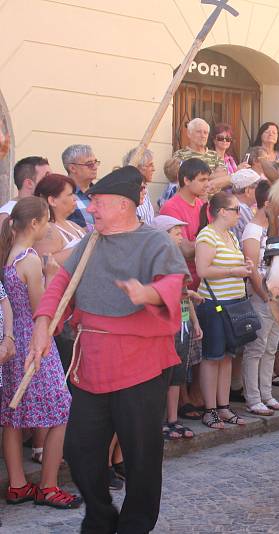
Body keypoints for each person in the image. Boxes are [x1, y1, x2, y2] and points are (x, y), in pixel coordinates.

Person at [28, 165, 189, 532]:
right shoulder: (90, 240)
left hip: (140, 365)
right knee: (80, 452)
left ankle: (135, 525)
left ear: (123, 205)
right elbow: (62, 286)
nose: (92, 208)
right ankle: (100, 517)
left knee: (141, 457)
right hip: (91, 364)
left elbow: (173, 286)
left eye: (99, 203)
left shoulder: (156, 242)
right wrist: (42, 325)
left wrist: (144, 293)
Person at [0, 197, 80, 509]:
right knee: (60, 410)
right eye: (46, 221)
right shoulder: (31, 260)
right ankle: (48, 485)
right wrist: (50, 273)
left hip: (12, 342)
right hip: (34, 342)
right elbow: (40, 310)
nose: (48, 228)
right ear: (34, 224)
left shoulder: (7, 255)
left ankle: (18, 484)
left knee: (12, 415)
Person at [194, 191, 252, 429]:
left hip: (234, 302)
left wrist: (243, 266)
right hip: (214, 304)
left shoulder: (230, 236)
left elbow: (229, 265)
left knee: (228, 356)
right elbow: (202, 270)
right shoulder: (207, 235)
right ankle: (210, 410)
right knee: (212, 357)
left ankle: (223, 406)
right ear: (221, 212)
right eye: (236, 209)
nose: (240, 214)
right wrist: (233, 272)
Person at [153, 215, 201, 441]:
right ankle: (159, 420)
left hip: (182, 323)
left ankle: (173, 419)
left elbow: (185, 292)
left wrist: (195, 321)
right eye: (176, 232)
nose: (182, 236)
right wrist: (187, 293)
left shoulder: (178, 257)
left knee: (177, 375)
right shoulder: (155, 259)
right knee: (163, 375)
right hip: (165, 324)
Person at [240, 181, 279, 415]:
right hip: (262, 296)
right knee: (256, 347)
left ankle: (266, 394)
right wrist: (264, 295)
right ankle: (254, 397)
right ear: (267, 203)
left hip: (277, 295)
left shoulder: (273, 227)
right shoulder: (252, 230)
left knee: (271, 347)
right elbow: (252, 269)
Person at [159, 158, 212, 290]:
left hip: (204, 282)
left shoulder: (201, 204)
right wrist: (210, 243)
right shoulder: (170, 208)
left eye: (207, 179)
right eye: (202, 180)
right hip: (185, 284)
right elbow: (185, 250)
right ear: (186, 180)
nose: (207, 184)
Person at [33, 174, 86, 266]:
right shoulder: (46, 229)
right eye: (70, 194)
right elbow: (44, 264)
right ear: (52, 201)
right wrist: (84, 247)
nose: (75, 198)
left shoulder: (73, 225)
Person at [172, 118, 230, 193]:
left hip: (215, 202)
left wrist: (199, 178)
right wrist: (213, 175)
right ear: (189, 134)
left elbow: (223, 175)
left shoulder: (215, 155)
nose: (203, 136)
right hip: (192, 202)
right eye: (199, 132)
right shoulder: (180, 155)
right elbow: (180, 179)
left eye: (205, 133)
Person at [0, 156, 51, 221]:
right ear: (29, 183)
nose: (52, 180)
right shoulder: (7, 215)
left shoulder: (47, 209)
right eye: (47, 177)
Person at [63, 144, 100, 228]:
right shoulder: (62, 196)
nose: (95, 167)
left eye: (96, 162)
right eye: (89, 164)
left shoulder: (100, 192)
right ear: (72, 168)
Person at [122, 147, 156, 225]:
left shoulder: (144, 191)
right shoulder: (128, 193)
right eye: (150, 165)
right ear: (139, 167)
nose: (154, 169)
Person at [230, 168, 261, 243]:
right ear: (248, 191)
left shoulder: (237, 205)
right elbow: (260, 234)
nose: (261, 191)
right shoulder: (242, 208)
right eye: (259, 188)